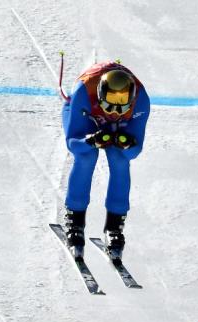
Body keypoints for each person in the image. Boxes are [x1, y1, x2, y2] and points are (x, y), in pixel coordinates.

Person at [61, 61, 150, 260]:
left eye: (121, 101)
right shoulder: (84, 91)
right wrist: (91, 140)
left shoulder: (141, 100)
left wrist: (126, 144)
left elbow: (134, 151)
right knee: (86, 156)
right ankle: (75, 219)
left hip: (105, 118)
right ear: (101, 93)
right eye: (111, 99)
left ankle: (114, 225)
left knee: (119, 158)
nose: (114, 110)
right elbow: (74, 143)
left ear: (132, 97)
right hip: (88, 114)